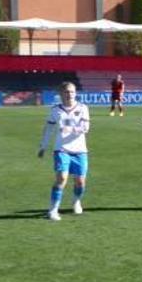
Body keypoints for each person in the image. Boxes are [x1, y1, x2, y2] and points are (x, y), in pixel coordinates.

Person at [38, 82, 90, 221]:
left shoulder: (83, 108)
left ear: (76, 93)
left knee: (80, 182)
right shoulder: (55, 110)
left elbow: (85, 127)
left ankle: (76, 201)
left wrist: (71, 128)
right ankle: (53, 210)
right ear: (61, 94)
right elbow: (49, 129)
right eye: (67, 92)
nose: (70, 94)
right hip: (62, 149)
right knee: (61, 178)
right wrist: (43, 146)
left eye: (72, 92)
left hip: (80, 150)